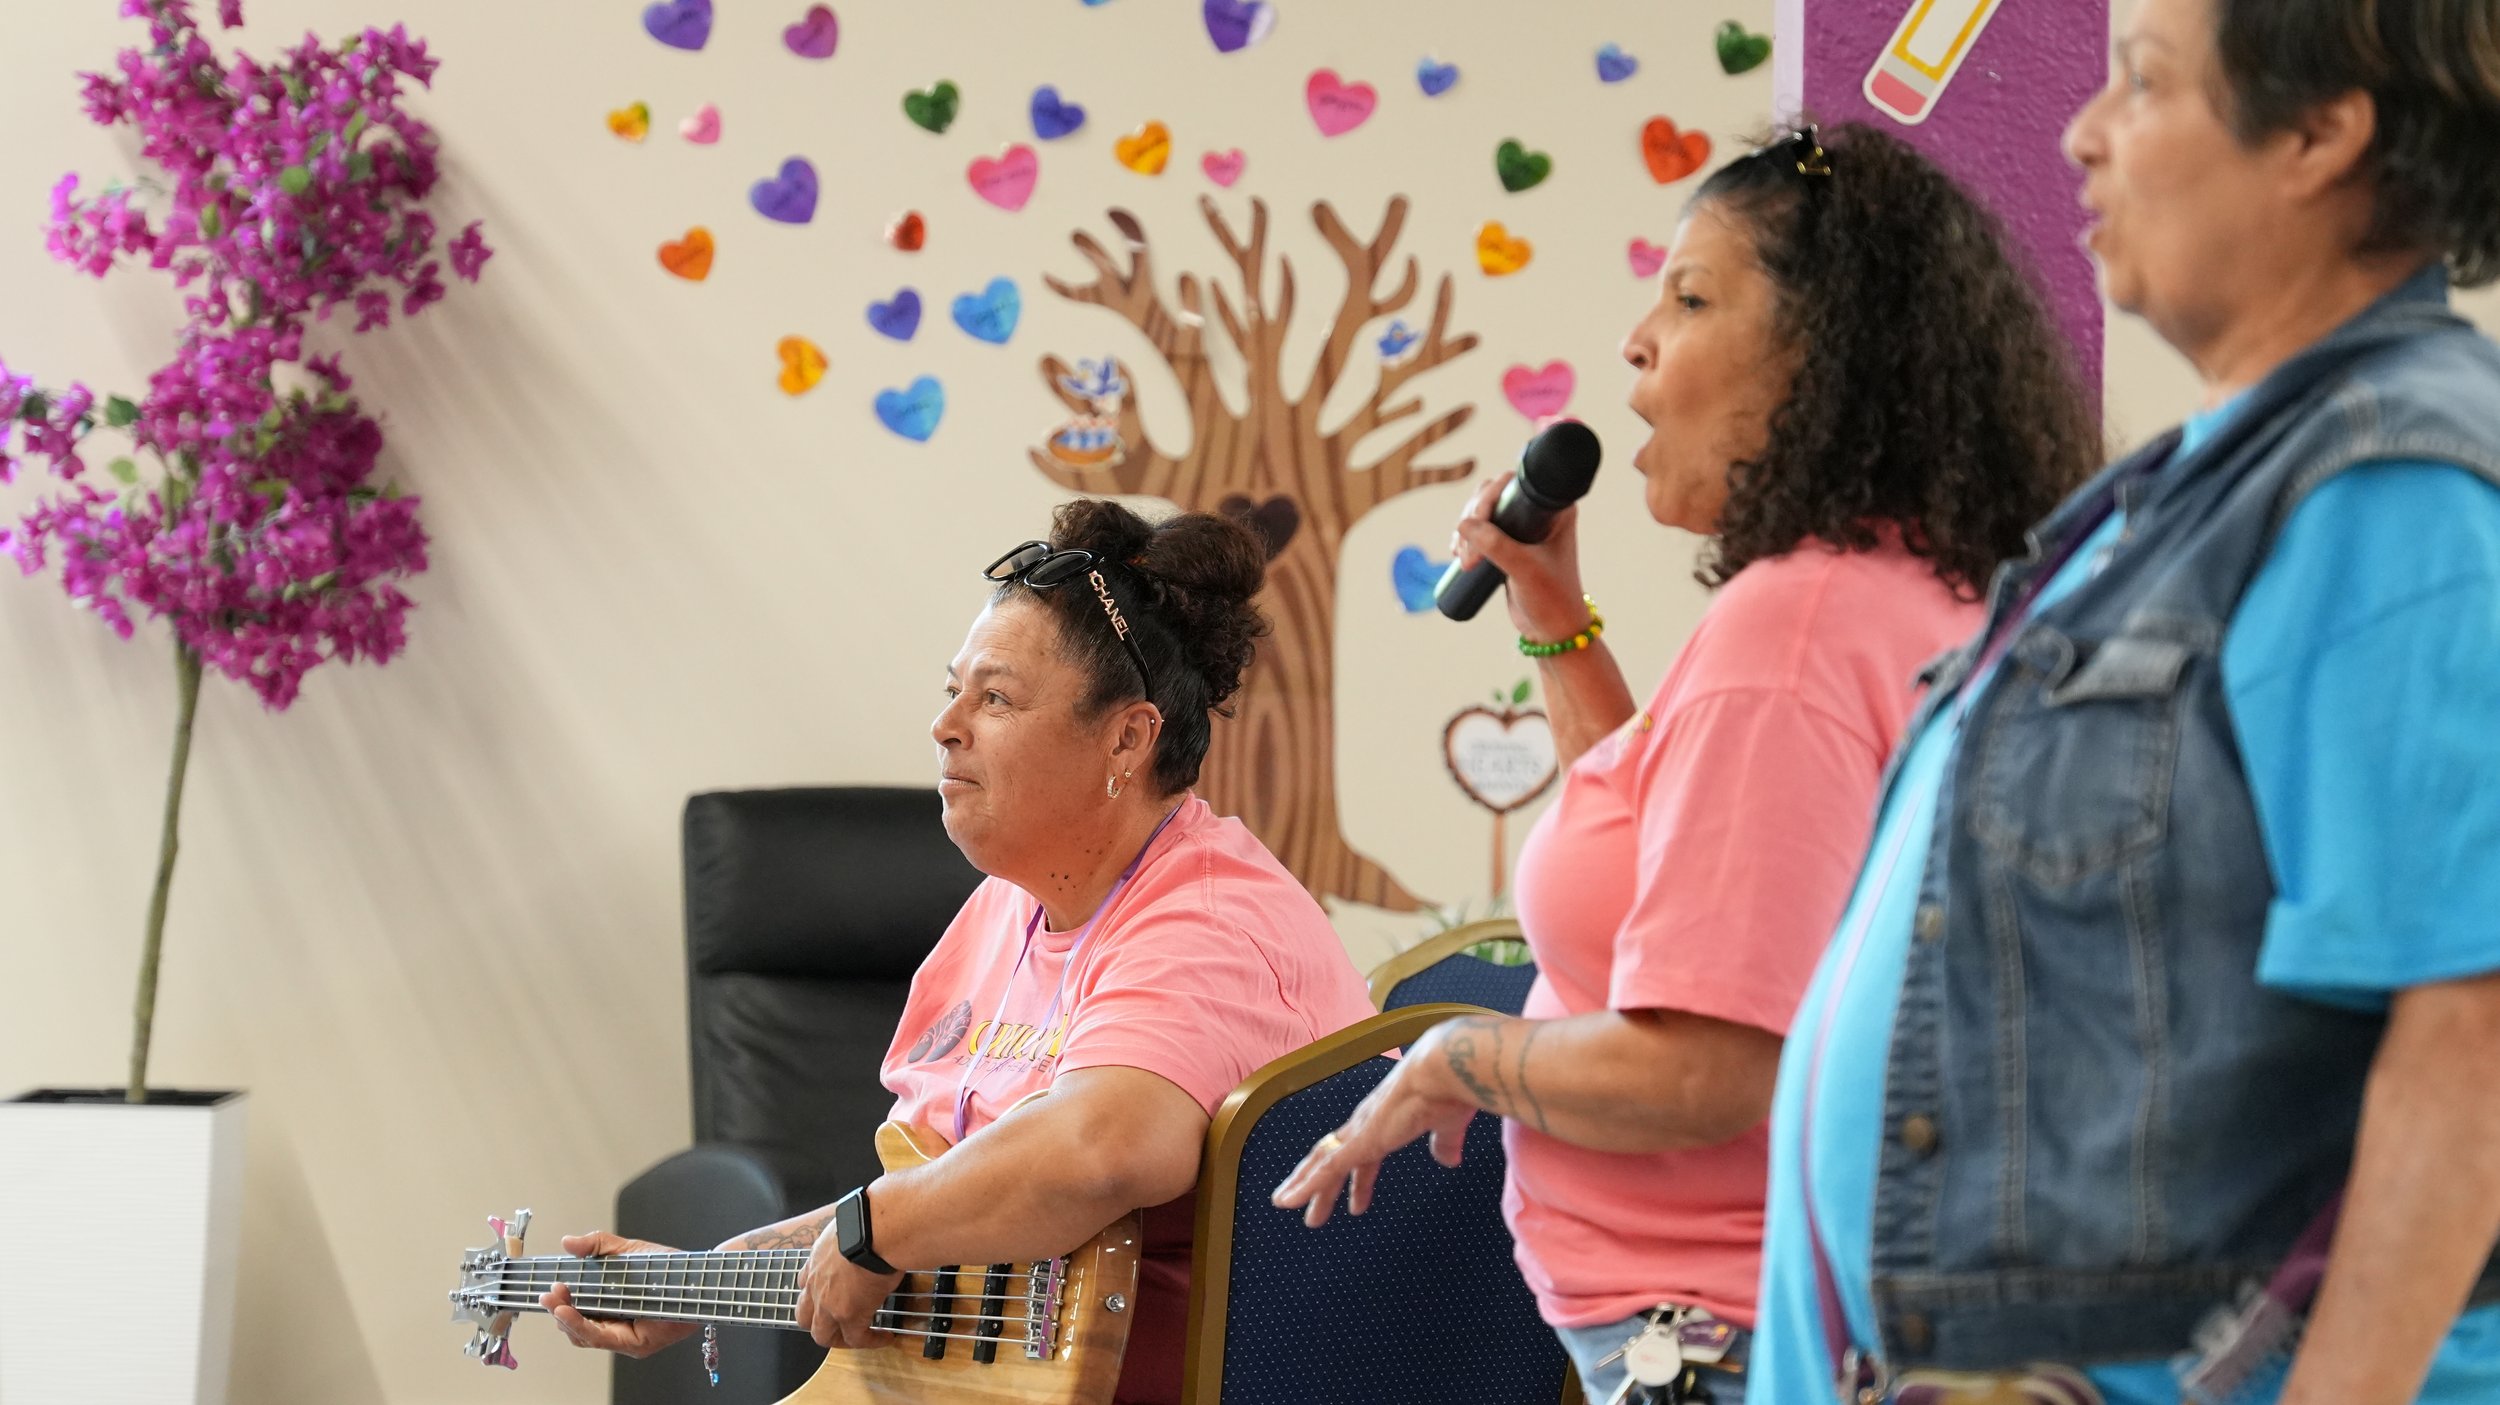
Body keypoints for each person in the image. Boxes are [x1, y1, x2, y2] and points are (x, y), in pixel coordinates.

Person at [1272, 123, 2101, 1403]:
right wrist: (1550, 608)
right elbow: (1688, 884)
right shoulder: (1905, 592)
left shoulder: (1799, 625)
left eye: (1692, 294)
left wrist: (1455, 1057)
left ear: (1826, 353)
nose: (1635, 342)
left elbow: (1708, 1065)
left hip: (1724, 1340)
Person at [1744, 1, 2500, 1402]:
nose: (2082, 137)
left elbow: (2470, 1035)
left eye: (2142, 85)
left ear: (2325, 131)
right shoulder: (2156, 506)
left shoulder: (2393, 486)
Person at [544, 501, 1379, 1405]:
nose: (946, 724)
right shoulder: (1001, 912)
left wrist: (876, 1229)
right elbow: (935, 1195)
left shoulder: (1209, 920)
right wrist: (707, 1279)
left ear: (1129, 738)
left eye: (995, 697)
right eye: (953, 690)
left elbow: (1103, 1146)